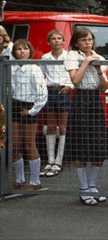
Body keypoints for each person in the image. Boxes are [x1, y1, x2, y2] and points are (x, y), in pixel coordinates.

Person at [64, 27, 108, 206]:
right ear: (76, 42)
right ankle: (83, 188)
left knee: (99, 146)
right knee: (81, 146)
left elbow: (104, 87)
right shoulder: (72, 55)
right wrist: (86, 61)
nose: (88, 43)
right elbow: (75, 81)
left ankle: (92, 186)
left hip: (95, 100)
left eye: (90, 39)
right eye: (83, 40)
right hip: (81, 99)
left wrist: (98, 69)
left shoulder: (97, 56)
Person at [10, 39, 48, 190]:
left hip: (29, 106)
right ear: (14, 52)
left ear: (30, 51)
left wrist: (31, 111)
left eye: (25, 49)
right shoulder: (11, 68)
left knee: (29, 144)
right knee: (14, 145)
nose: (22, 51)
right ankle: (20, 180)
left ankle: (35, 181)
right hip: (14, 106)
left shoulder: (34, 68)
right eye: (19, 49)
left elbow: (43, 94)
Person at [40, 29, 73, 178]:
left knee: (63, 127)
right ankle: (50, 161)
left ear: (63, 41)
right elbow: (42, 75)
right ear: (49, 42)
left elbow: (75, 74)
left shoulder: (69, 56)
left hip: (63, 91)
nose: (56, 40)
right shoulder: (45, 57)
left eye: (59, 38)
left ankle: (59, 161)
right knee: (51, 126)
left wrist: (70, 87)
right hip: (50, 91)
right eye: (53, 38)